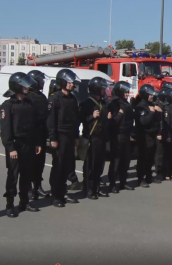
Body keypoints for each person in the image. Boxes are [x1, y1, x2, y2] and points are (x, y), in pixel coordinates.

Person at [0, 72, 41, 217]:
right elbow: (5, 130)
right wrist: (10, 148)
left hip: (28, 144)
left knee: (27, 174)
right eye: (23, 84)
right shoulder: (8, 105)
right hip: (15, 146)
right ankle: (10, 204)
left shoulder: (29, 103)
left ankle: (25, 201)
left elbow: (34, 125)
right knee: (13, 175)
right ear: (16, 85)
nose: (27, 87)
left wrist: (36, 143)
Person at [47, 69, 81, 207]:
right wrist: (53, 138)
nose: (72, 84)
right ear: (63, 82)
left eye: (73, 82)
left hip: (69, 136)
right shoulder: (55, 98)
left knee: (67, 166)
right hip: (59, 137)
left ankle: (63, 192)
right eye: (69, 82)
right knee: (58, 166)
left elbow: (75, 120)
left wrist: (76, 136)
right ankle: (56, 195)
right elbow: (51, 121)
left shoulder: (72, 99)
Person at [80, 77, 111, 199]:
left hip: (102, 138)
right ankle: (88, 189)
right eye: (102, 89)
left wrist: (108, 118)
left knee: (99, 165)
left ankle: (96, 188)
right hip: (91, 138)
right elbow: (80, 119)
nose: (104, 91)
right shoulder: (86, 104)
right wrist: (91, 116)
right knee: (90, 165)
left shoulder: (103, 103)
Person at [26, 70, 51, 200]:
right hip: (31, 136)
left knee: (40, 163)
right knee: (31, 163)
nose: (43, 82)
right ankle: (29, 189)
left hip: (41, 135)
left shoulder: (41, 97)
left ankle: (38, 186)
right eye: (41, 80)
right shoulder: (28, 97)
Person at [107, 81, 135, 193]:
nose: (127, 94)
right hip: (117, 135)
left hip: (126, 135)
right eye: (125, 92)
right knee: (116, 160)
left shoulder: (127, 104)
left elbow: (131, 120)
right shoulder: (113, 104)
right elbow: (112, 122)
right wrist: (120, 114)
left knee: (125, 160)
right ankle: (112, 183)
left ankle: (123, 182)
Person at [135, 84, 162, 187]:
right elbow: (143, 121)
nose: (152, 96)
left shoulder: (152, 104)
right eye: (149, 94)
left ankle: (149, 176)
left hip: (153, 135)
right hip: (144, 136)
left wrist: (159, 112)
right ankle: (141, 178)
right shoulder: (140, 107)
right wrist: (151, 113)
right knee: (143, 158)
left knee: (151, 158)